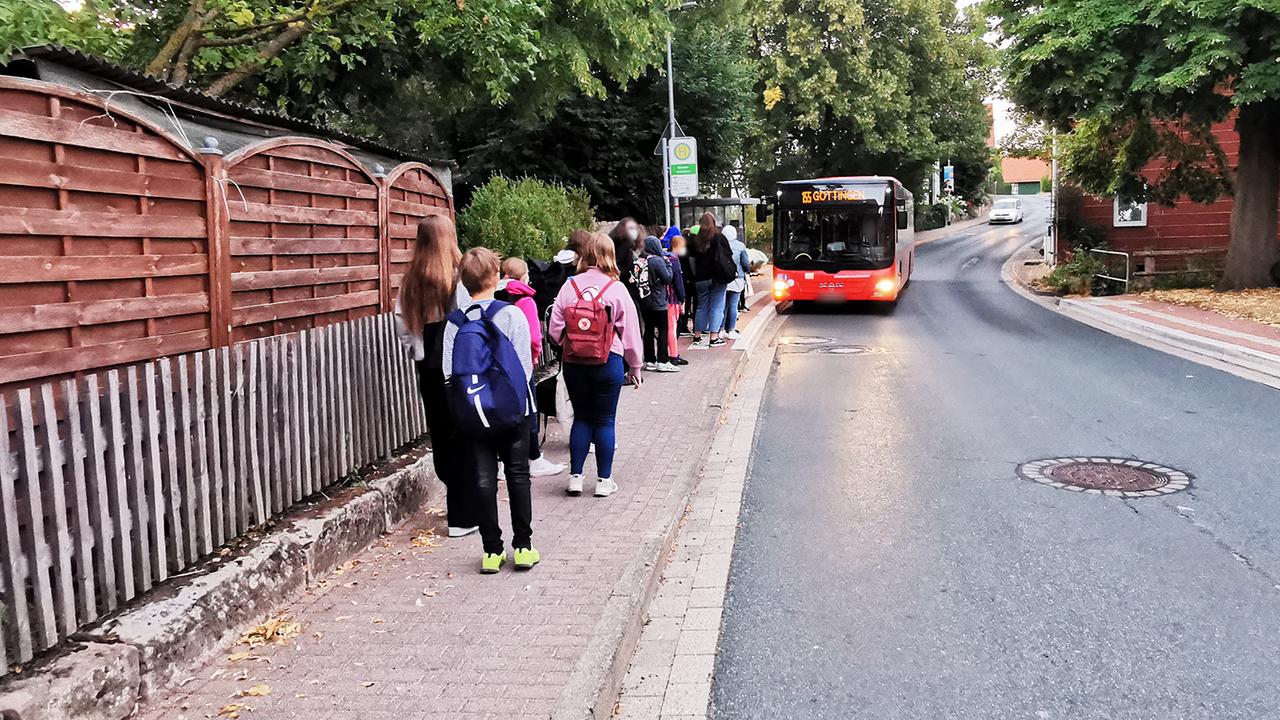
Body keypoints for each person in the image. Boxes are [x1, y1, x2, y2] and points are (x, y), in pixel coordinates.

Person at [443, 248, 539, 574]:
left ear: (463, 282)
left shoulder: (454, 323)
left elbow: (448, 374)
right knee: (518, 475)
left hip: (474, 413)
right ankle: (523, 547)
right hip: (513, 411)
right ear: (497, 277)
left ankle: (491, 551)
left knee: (483, 478)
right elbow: (524, 367)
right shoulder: (511, 315)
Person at [394, 216, 478, 539]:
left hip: (427, 363)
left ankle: (458, 505)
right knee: (464, 434)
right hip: (455, 364)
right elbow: (469, 320)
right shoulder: (457, 277)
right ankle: (463, 513)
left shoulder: (410, 280)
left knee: (441, 434)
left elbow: (401, 322)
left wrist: (415, 349)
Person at [547, 232, 643, 498]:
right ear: (609, 255)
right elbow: (631, 333)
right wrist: (635, 366)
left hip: (574, 363)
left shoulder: (569, 286)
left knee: (582, 418)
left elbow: (554, 330)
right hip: (608, 361)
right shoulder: (616, 289)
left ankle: (575, 478)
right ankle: (603, 480)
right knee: (605, 421)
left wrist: (570, 343)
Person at [498, 257, 566, 478]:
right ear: (524, 276)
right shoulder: (525, 300)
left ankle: (501, 462)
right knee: (529, 411)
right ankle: (533, 459)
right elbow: (534, 337)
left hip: (498, 364)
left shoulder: (495, 295)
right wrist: (534, 357)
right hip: (521, 364)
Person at [689, 213, 734, 349]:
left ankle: (697, 336)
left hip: (701, 278)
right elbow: (728, 255)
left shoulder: (695, 240)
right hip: (718, 277)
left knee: (701, 306)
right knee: (717, 307)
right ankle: (713, 337)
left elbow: (691, 259)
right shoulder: (719, 237)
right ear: (714, 223)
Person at [638, 235, 679, 372]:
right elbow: (668, 278)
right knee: (662, 330)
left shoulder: (641, 260)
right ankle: (663, 360)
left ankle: (649, 360)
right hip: (658, 301)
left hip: (644, 300)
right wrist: (668, 263)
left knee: (648, 330)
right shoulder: (657, 260)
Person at [721, 224, 752, 340]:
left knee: (722, 305)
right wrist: (747, 270)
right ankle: (731, 330)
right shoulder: (740, 246)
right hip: (737, 278)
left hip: (723, 278)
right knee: (733, 305)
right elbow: (745, 263)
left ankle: (721, 329)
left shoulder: (720, 245)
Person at [665, 233, 689, 366]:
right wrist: (683, 298)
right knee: (672, 328)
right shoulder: (674, 261)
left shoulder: (665, 258)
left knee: (668, 327)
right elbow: (678, 282)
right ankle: (673, 354)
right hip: (672, 298)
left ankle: (669, 353)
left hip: (665, 298)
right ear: (677, 246)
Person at [609, 218, 642, 300]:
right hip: (624, 282)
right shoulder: (624, 245)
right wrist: (629, 274)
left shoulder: (613, 241)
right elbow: (620, 264)